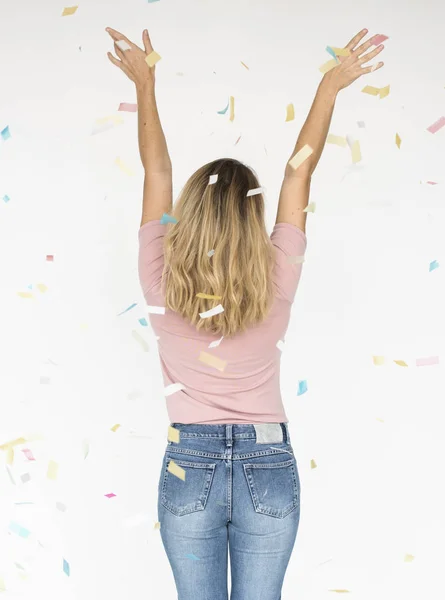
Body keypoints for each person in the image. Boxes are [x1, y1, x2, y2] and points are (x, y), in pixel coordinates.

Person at [106, 26, 385, 600]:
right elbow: (297, 173)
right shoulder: (277, 272)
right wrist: (330, 87)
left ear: (189, 215)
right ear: (251, 220)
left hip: (190, 464)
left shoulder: (159, 272)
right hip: (268, 462)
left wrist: (146, 85)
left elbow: (156, 171)